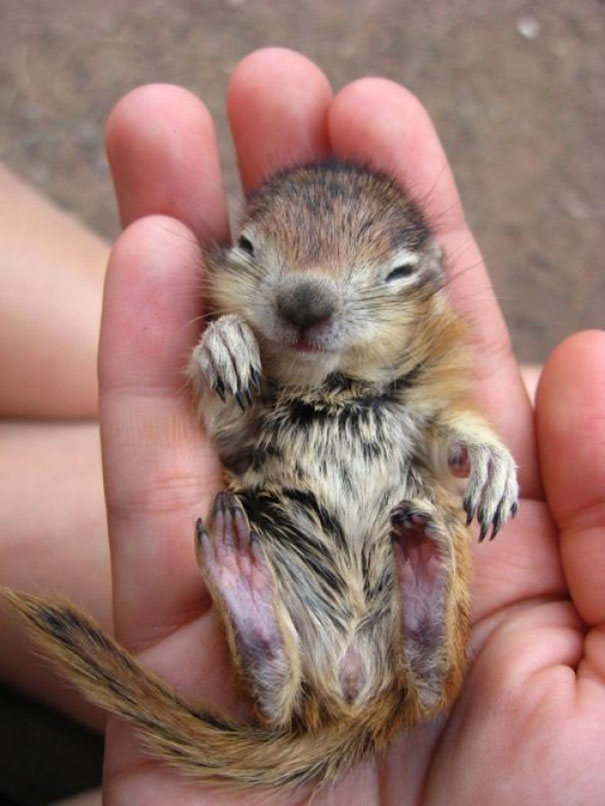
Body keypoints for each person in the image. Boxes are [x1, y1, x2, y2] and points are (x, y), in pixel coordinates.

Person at [1, 47, 603, 805]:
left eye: (383, 281)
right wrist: (218, 350)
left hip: (364, 573)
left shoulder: (430, 356)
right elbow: (225, 428)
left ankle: (316, 648)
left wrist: (479, 450)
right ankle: (278, 652)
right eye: (256, 258)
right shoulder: (239, 340)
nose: (306, 309)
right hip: (296, 528)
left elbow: (448, 424)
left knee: (432, 526)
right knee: (163, 392)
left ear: (427, 292)